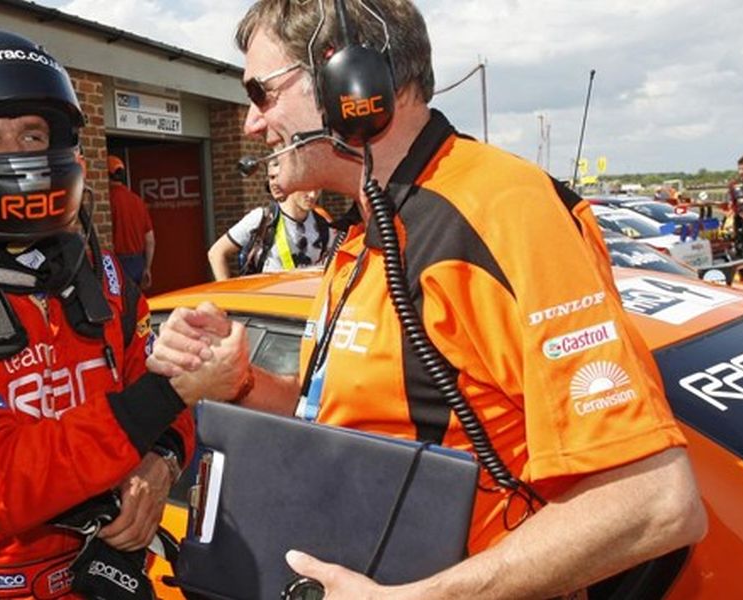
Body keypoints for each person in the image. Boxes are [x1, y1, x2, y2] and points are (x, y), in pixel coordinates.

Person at [150, 1, 707, 598]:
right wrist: (241, 380)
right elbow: (343, 419)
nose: (253, 125)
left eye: (262, 93)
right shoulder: (371, 228)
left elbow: (655, 501)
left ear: (349, 84)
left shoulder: (500, 210)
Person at [0, 28, 203, 599]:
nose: (16, 155)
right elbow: (0, 482)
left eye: (33, 134)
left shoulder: (105, 283)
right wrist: (166, 398)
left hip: (114, 577)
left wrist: (161, 462)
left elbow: (169, 406)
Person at [207, 160, 332, 279]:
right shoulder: (262, 218)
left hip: (305, 299)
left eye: (318, 188)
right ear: (290, 183)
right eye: (306, 188)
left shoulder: (324, 225)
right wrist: (228, 294)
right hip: (266, 299)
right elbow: (216, 253)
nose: (313, 195)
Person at [108, 154, 156, 289]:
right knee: (136, 304)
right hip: (137, 261)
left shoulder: (108, 201)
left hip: (116, 261)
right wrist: (147, 267)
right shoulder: (137, 200)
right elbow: (150, 239)